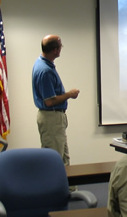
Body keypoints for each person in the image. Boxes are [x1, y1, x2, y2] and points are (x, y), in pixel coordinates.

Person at [32, 35, 80, 167]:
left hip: (54, 118)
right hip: (51, 118)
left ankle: (67, 188)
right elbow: (49, 101)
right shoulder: (45, 70)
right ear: (55, 50)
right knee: (54, 161)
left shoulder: (44, 64)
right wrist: (69, 94)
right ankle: (53, 188)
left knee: (63, 158)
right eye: (60, 47)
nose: (61, 49)